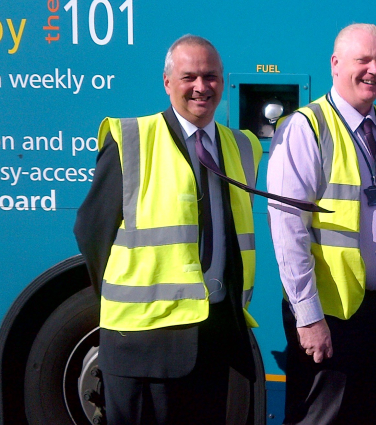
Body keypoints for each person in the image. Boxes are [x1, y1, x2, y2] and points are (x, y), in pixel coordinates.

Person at [74, 35, 260, 425]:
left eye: (210, 76)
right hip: (143, 345)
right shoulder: (131, 140)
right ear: (167, 82)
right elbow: (91, 233)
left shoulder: (242, 147)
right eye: (189, 77)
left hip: (214, 339)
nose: (201, 87)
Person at [267, 23, 376, 425]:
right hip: (333, 313)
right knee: (321, 418)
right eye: (363, 60)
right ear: (336, 64)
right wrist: (309, 317)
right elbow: (288, 231)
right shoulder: (306, 128)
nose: (374, 70)